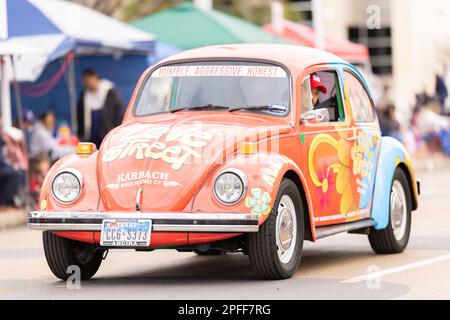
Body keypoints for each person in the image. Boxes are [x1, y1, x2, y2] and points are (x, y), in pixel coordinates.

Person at [77, 69, 125, 148]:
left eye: (88, 79)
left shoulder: (109, 90)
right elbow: (80, 116)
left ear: (94, 77)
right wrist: (81, 134)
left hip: (107, 132)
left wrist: (115, 128)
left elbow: (119, 110)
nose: (87, 83)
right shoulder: (84, 95)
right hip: (92, 134)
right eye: (84, 81)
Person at [0, 117, 25, 208]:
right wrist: (9, 167)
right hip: (3, 166)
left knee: (19, 172)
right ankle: (5, 202)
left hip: (4, 166)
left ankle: (10, 201)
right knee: (15, 174)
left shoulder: (4, 138)